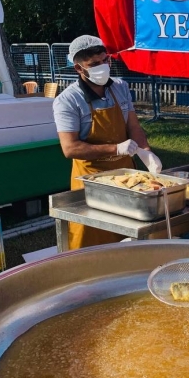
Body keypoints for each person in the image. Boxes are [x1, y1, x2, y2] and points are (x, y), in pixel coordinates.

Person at [53, 35, 160, 249]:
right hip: (90, 182)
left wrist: (145, 151)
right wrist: (116, 148)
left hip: (126, 177)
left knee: (129, 235)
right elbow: (70, 147)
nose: (102, 67)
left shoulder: (120, 87)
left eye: (105, 61)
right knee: (90, 239)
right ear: (78, 68)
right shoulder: (67, 101)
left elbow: (134, 127)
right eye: (94, 64)